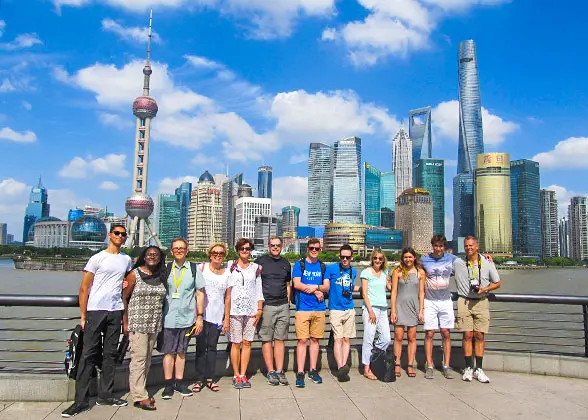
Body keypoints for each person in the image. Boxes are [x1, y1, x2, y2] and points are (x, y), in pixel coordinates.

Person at [62, 224, 133, 418]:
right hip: (95, 311)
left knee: (110, 354)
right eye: (117, 233)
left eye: (123, 234)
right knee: (88, 355)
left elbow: (128, 280)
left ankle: (107, 395)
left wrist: (126, 282)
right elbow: (84, 288)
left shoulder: (126, 260)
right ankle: (80, 401)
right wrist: (83, 316)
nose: (120, 236)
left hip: (115, 310)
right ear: (110, 235)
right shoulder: (97, 258)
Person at [159, 238, 204, 399]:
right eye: (176, 248)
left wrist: (200, 316)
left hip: (187, 318)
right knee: (169, 352)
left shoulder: (193, 269)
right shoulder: (165, 269)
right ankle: (168, 385)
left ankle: (179, 382)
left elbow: (200, 293)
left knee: (182, 352)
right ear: (171, 251)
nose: (179, 251)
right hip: (168, 318)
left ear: (187, 250)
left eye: (182, 248)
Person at [122, 246, 167, 411]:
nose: (152, 257)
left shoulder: (161, 276)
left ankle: (141, 390)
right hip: (137, 324)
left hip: (154, 324)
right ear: (144, 257)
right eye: (149, 254)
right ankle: (139, 396)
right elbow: (124, 298)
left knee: (147, 359)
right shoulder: (134, 275)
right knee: (139, 359)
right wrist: (125, 322)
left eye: (155, 255)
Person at [455, 236, 501, 383]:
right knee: (467, 335)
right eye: (466, 246)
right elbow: (439, 266)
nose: (468, 248)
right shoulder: (458, 262)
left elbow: (498, 282)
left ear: (477, 246)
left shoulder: (487, 262)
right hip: (464, 301)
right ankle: (468, 368)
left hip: (481, 302)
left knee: (480, 335)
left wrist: (485, 289)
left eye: (471, 245)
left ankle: (479, 369)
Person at [194, 243, 232, 393]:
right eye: (215, 253)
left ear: (224, 256)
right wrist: (198, 315)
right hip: (201, 316)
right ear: (210, 254)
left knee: (212, 348)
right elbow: (196, 292)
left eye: (221, 253)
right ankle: (198, 379)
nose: (218, 255)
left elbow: (228, 298)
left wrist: (226, 319)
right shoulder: (201, 268)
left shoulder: (228, 273)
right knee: (200, 348)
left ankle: (209, 378)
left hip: (217, 317)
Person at [227, 238, 264, 389]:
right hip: (235, 311)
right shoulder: (230, 266)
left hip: (251, 311)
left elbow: (259, 290)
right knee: (236, 343)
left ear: (251, 251)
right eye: (242, 248)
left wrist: (259, 309)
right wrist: (226, 314)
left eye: (247, 249)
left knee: (247, 342)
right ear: (237, 250)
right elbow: (227, 292)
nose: (245, 251)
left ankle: (243, 374)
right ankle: (236, 375)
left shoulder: (256, 268)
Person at [254, 236, 291, 386]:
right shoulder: (260, 263)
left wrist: (287, 302)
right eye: (272, 245)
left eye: (278, 245)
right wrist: (259, 307)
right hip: (267, 306)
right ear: (268, 246)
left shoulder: (286, 263)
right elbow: (253, 284)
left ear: (281, 247)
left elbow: (288, 284)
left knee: (280, 339)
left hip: (283, 306)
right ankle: (270, 371)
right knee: (266, 339)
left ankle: (280, 370)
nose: (275, 248)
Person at [292, 237, 328, 388]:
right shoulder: (299, 264)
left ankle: (313, 370)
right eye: (312, 248)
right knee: (302, 341)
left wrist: (315, 289)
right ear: (307, 249)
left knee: (315, 340)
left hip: (319, 309)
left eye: (317, 248)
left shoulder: (323, 266)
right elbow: (297, 284)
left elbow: (326, 287)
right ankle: (300, 372)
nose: (314, 251)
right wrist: (317, 290)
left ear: (320, 250)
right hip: (303, 309)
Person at [420, 234, 457, 379]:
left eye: (441, 246)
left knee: (446, 333)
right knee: (429, 333)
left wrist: (485, 257)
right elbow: (409, 267)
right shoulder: (424, 259)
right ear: (432, 246)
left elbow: (469, 260)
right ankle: (429, 365)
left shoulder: (451, 259)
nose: (438, 249)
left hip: (445, 301)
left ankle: (446, 365)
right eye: (436, 245)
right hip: (429, 301)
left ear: (444, 247)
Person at [326, 244, 359, 382]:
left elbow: (352, 286)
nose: (345, 259)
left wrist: (364, 288)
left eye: (347, 257)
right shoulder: (331, 269)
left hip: (349, 308)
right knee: (338, 339)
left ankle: (344, 366)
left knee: (347, 339)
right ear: (339, 257)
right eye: (342, 257)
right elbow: (326, 286)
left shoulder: (354, 271)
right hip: (335, 309)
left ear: (352, 257)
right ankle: (340, 367)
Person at [390, 248, 425, 378]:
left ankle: (410, 364)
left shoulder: (420, 272)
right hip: (399, 306)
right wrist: (393, 310)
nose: (408, 259)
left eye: (410, 257)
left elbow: (421, 293)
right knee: (398, 337)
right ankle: (397, 363)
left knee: (412, 337)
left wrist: (421, 310)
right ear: (402, 258)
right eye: (406, 257)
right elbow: (394, 292)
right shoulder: (397, 272)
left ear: (414, 258)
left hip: (413, 307)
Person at [360, 249, 391, 380]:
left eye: (380, 258)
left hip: (383, 309)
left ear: (383, 260)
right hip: (370, 309)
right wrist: (370, 310)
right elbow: (364, 293)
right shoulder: (366, 272)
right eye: (375, 258)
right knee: (369, 338)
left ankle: (375, 357)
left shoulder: (385, 273)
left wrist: (393, 278)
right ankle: (367, 369)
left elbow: (391, 288)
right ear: (372, 259)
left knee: (386, 338)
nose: (377, 260)